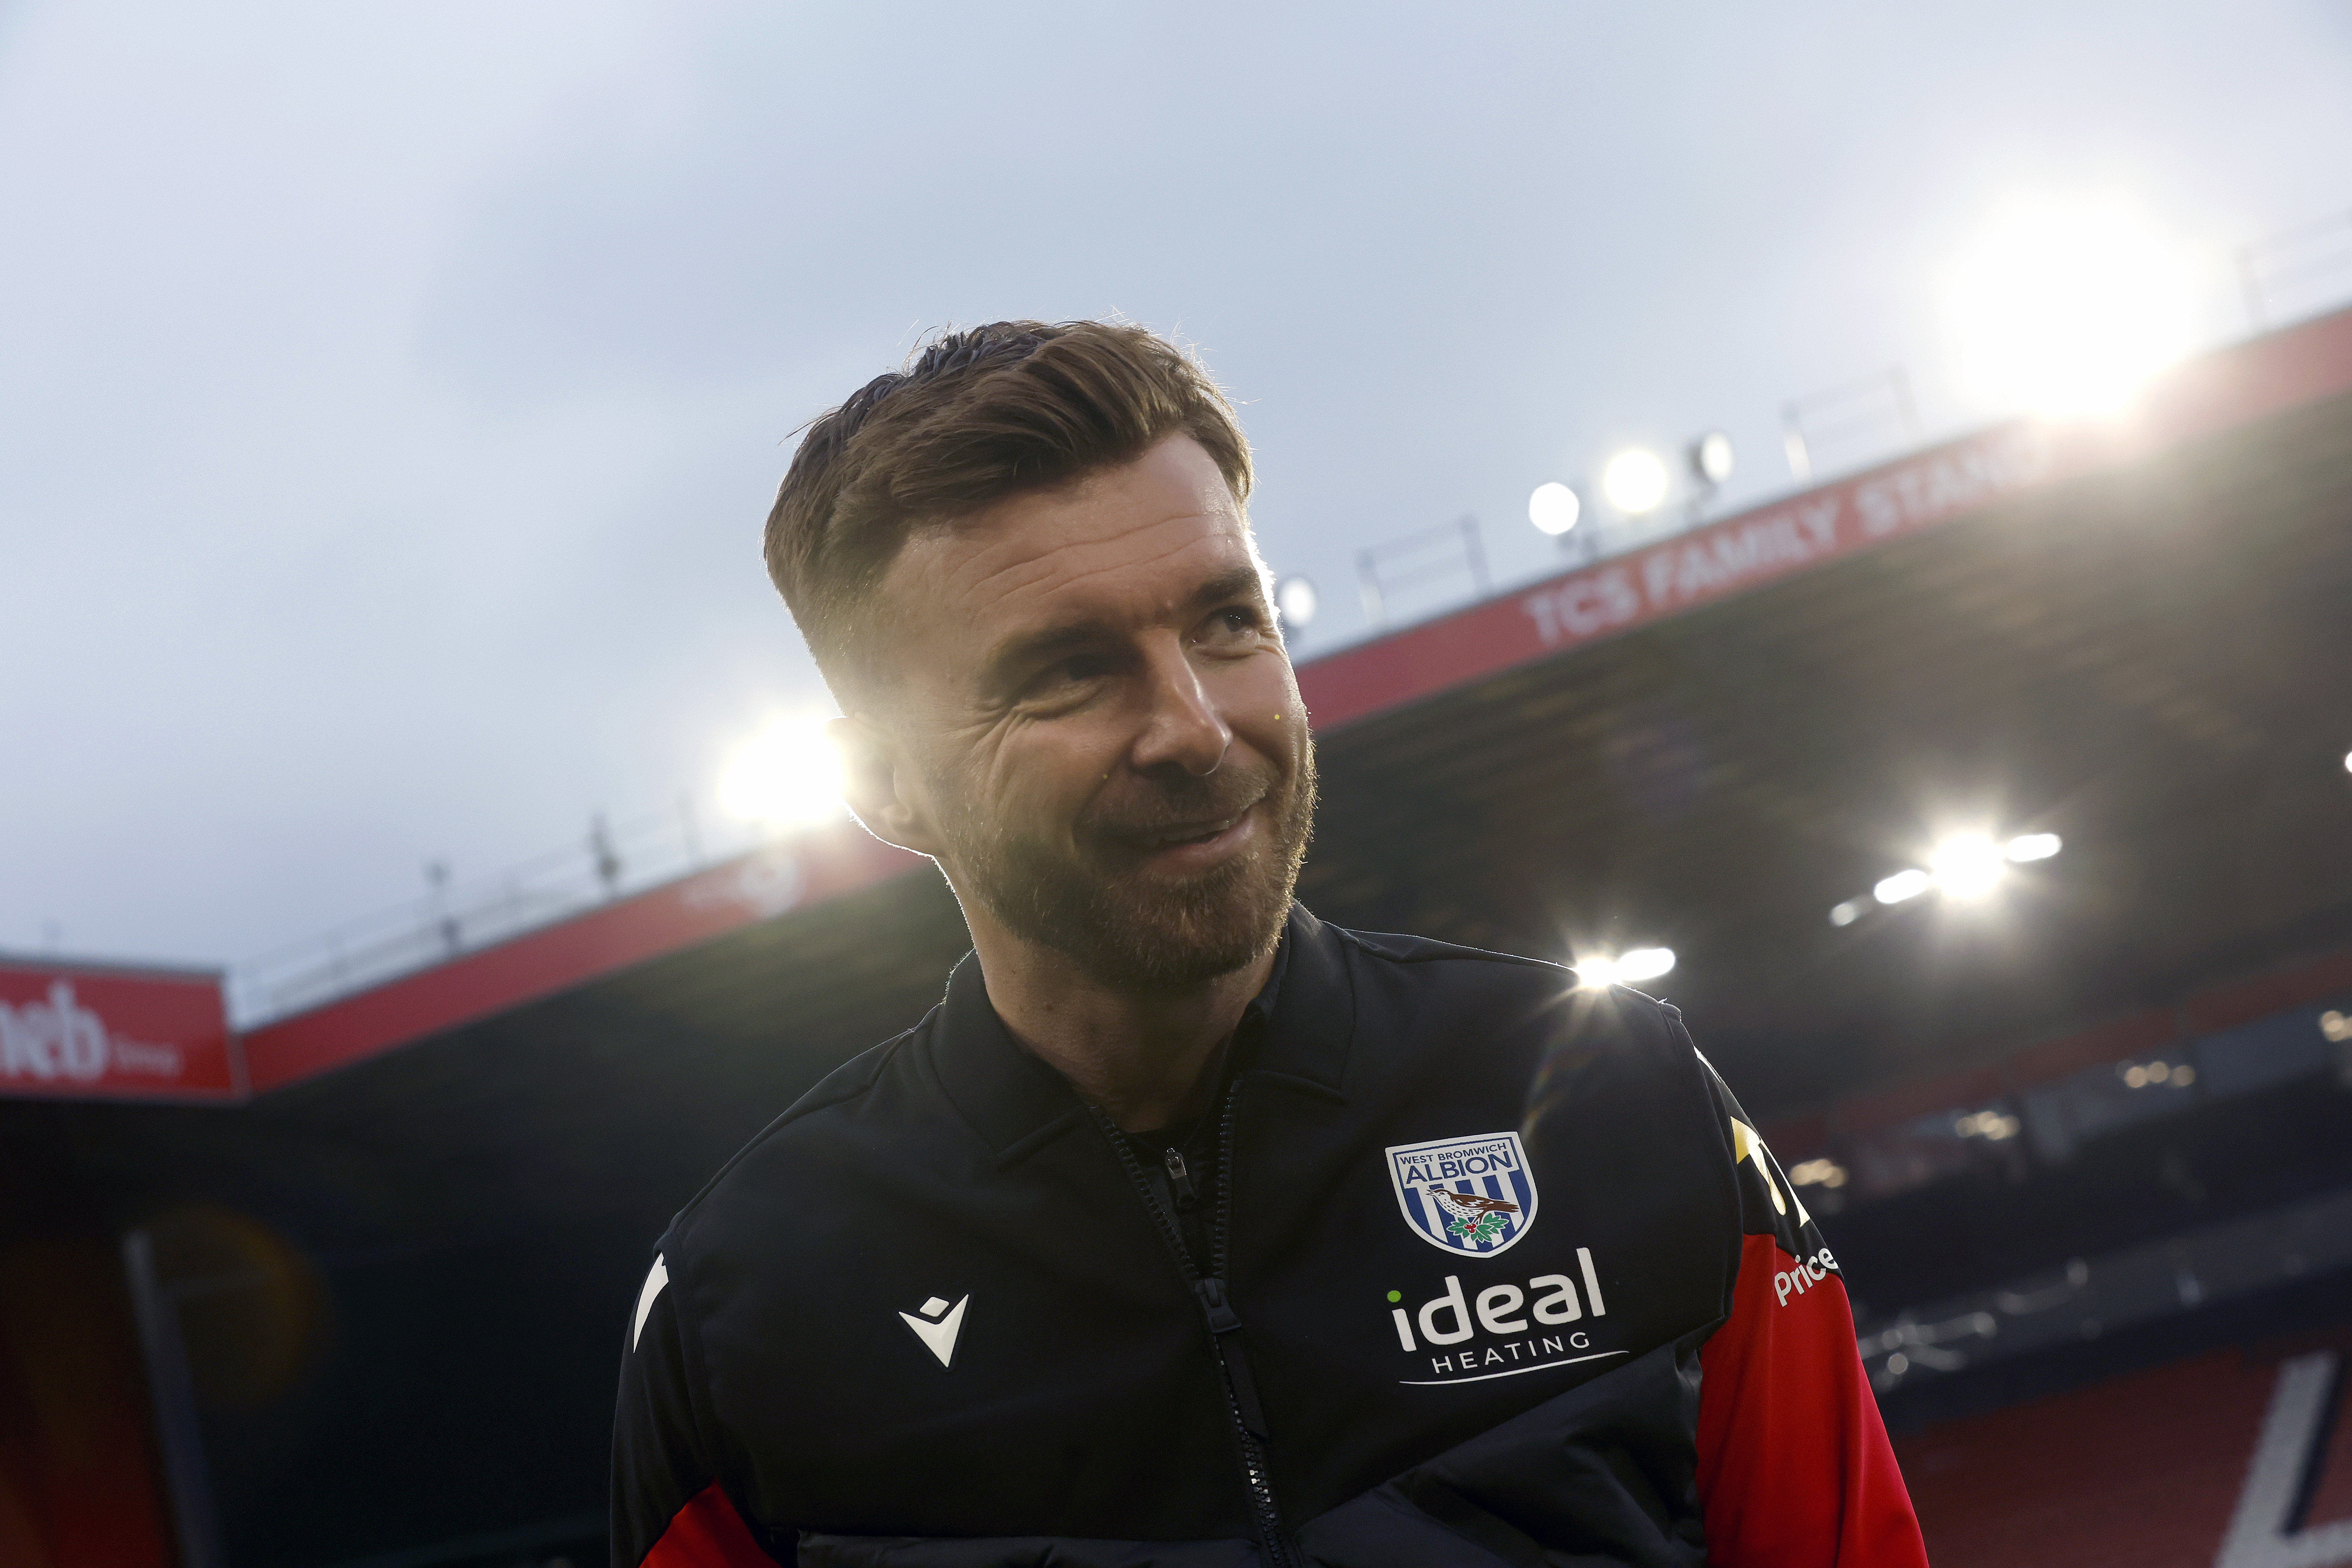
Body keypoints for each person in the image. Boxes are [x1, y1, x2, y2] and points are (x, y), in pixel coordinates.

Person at [610, 321, 1929, 1568]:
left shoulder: (1621, 1095)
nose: (1192, 725)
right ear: (887, 784)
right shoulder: (749, 1305)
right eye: (1069, 669)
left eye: (1228, 622)